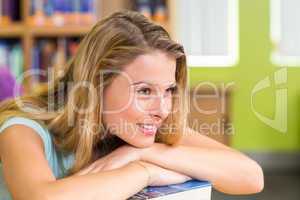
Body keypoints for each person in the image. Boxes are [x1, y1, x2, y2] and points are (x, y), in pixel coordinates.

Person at [0, 10, 264, 200]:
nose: (162, 109)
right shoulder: (24, 128)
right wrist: (145, 172)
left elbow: (251, 177)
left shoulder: (143, 130)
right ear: (96, 85)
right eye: (145, 91)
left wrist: (139, 154)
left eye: (169, 90)